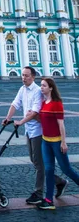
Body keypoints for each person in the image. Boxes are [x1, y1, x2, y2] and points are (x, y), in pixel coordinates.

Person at [2, 66, 67, 206]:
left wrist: (20, 122)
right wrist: (8, 118)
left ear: (33, 77)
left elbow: (34, 113)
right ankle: (59, 182)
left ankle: (38, 193)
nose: (23, 78)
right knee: (35, 160)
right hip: (28, 130)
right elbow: (15, 104)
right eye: (22, 75)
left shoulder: (38, 91)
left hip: (38, 131)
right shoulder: (22, 89)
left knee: (39, 164)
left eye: (26, 75)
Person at [37, 77, 79, 210]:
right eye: (41, 85)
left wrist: (63, 142)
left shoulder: (57, 103)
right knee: (49, 170)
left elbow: (61, 125)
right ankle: (49, 200)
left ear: (50, 88)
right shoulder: (43, 103)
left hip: (56, 142)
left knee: (66, 169)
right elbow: (43, 120)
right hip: (45, 141)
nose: (41, 87)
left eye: (43, 85)